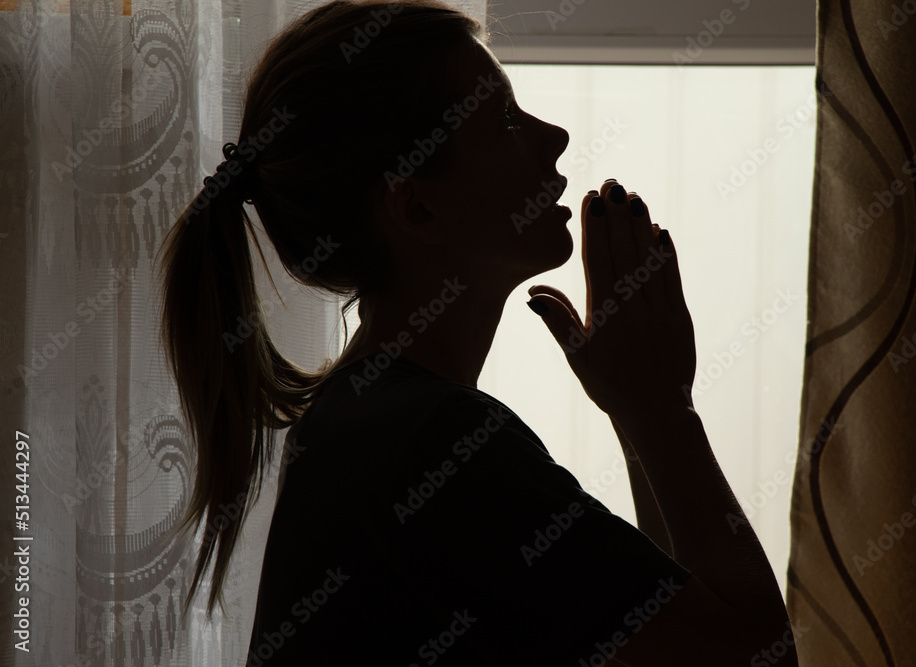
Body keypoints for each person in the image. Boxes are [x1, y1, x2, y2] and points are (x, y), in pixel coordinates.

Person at [157, 1, 797, 664]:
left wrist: (640, 410)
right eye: (506, 122)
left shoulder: (370, 422)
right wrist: (665, 409)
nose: (555, 138)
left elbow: (667, 635)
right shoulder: (434, 445)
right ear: (418, 206)